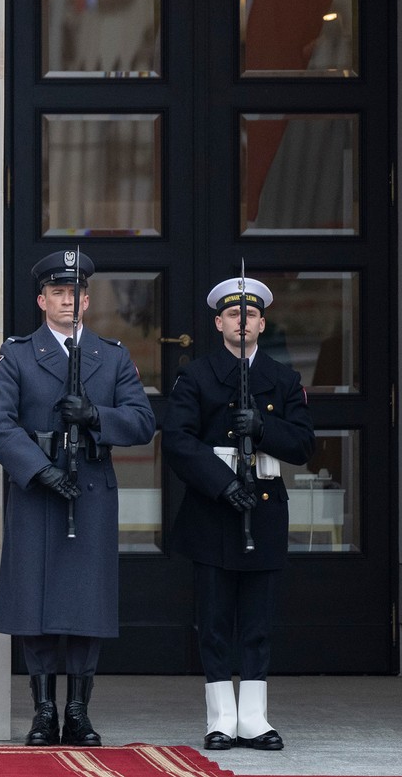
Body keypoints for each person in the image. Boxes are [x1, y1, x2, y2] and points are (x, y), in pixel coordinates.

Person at [0, 249, 155, 748]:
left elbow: (142, 422)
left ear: (87, 299)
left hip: (91, 489)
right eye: (57, 293)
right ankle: (43, 711)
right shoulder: (17, 354)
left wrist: (97, 415)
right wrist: (39, 470)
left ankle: (77, 710)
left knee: (85, 604)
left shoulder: (113, 355)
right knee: (34, 603)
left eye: (75, 293)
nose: (67, 301)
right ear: (41, 299)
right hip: (39, 492)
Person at [163, 277, 312, 751]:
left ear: (262, 323)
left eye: (250, 315)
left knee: (257, 623)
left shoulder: (284, 379)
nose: (241, 322)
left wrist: (265, 427)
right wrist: (223, 484)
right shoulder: (197, 375)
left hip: (264, 512)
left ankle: (254, 717)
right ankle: (221, 718)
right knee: (214, 621)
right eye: (233, 315)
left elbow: (304, 445)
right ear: (218, 323)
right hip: (214, 511)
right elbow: (179, 442)